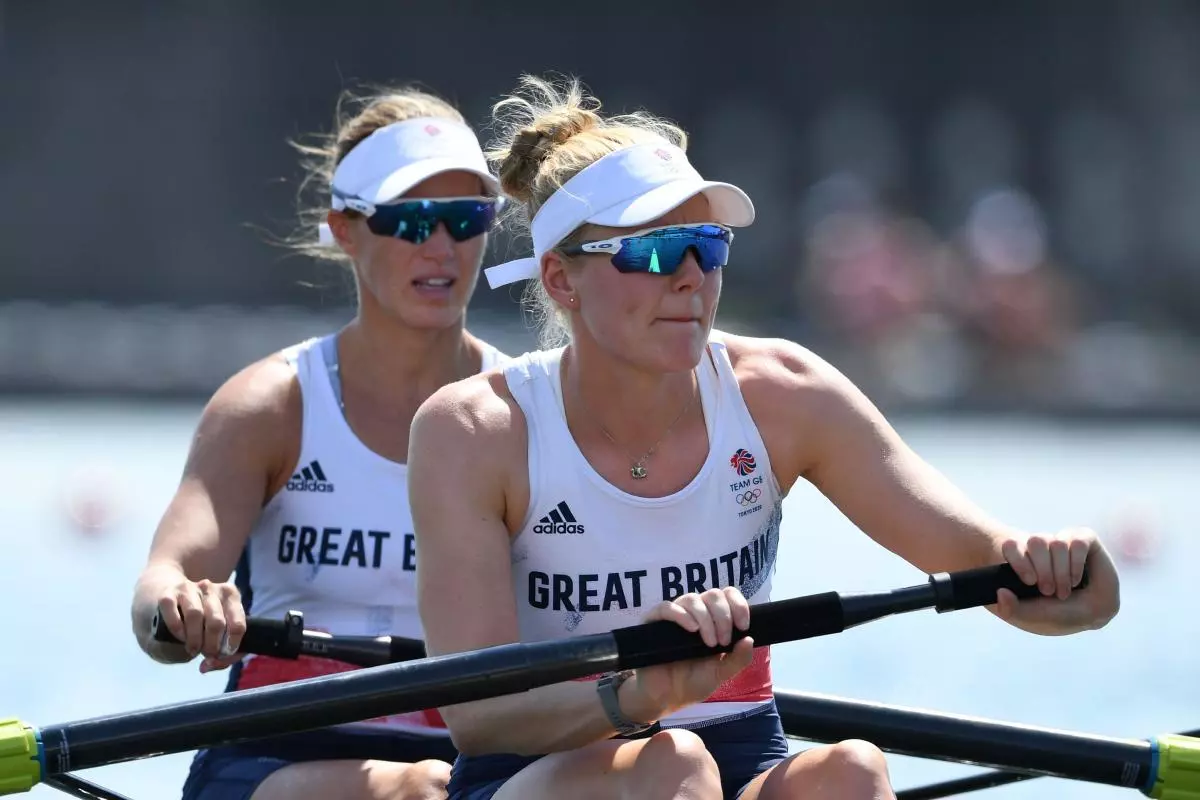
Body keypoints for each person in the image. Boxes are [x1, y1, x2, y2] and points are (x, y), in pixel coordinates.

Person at [406, 75, 1122, 800]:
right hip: (532, 773)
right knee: (671, 764)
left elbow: (990, 564)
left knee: (851, 770)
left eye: (706, 247)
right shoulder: (473, 431)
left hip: (739, 756)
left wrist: (1070, 576)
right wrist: (642, 698)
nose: (689, 279)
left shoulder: (783, 394)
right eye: (653, 252)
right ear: (561, 279)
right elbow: (479, 717)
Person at [130, 85, 509, 800]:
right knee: (421, 791)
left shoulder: (525, 408)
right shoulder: (270, 406)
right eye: (410, 219)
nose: (442, 245)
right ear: (345, 228)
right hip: (279, 751)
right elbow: (163, 583)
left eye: (466, 217)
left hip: (477, 749)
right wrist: (185, 610)